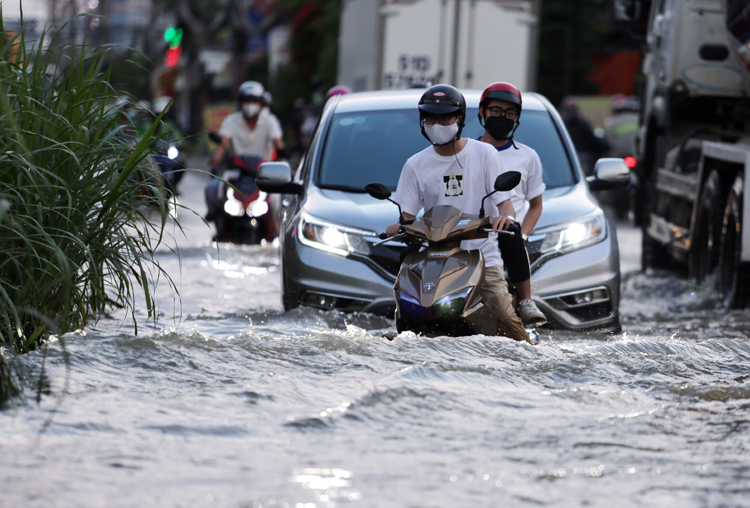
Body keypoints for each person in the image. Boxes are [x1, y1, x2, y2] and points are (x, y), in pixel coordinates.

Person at [385, 84, 530, 343]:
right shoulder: (414, 165)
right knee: (408, 321)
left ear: (460, 119)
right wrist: (398, 227)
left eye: (444, 117)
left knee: (506, 319)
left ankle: (531, 356)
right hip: (434, 260)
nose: (436, 123)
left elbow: (505, 204)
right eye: (430, 117)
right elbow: (406, 217)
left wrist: (505, 218)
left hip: (483, 257)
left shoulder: (485, 154)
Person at [477, 82, 547, 327]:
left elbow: (536, 204)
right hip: (470, 231)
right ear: (482, 112)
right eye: (495, 111)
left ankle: (526, 300)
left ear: (517, 118)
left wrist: (523, 235)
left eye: (509, 113)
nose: (502, 118)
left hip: (507, 235)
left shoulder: (527, 157)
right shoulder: (466, 152)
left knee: (510, 232)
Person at [205, 81, 283, 220]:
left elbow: (278, 144)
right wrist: (216, 158)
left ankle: (274, 223)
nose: (250, 104)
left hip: (263, 172)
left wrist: (282, 161)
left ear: (260, 102)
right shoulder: (231, 121)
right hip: (236, 171)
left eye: (253, 101)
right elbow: (222, 143)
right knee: (212, 188)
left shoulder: (270, 121)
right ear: (241, 102)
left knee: (277, 196)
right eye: (246, 100)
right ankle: (219, 219)